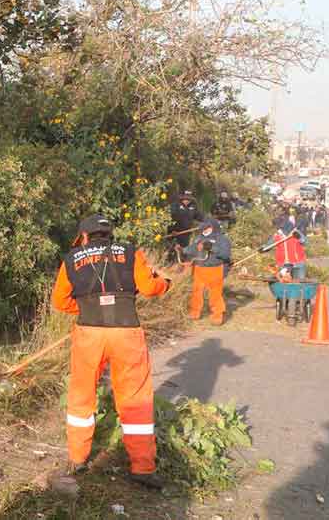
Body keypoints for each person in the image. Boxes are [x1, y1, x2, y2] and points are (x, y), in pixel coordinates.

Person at [51, 215, 173, 489]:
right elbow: (149, 288)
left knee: (81, 395)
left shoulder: (71, 258)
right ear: (109, 234)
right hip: (126, 331)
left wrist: (85, 309)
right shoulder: (131, 252)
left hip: (89, 333)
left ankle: (78, 459)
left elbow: (60, 302)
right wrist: (166, 282)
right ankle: (143, 468)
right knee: (135, 398)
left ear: (84, 236)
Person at [186, 217, 232, 325]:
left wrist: (211, 247)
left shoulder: (222, 239)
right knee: (196, 291)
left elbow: (225, 255)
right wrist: (182, 250)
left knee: (215, 293)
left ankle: (217, 315)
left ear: (213, 227)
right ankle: (194, 312)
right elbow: (192, 249)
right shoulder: (198, 238)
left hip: (215, 269)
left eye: (207, 228)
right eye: (202, 229)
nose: (204, 230)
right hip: (199, 268)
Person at [168, 191, 205, 264]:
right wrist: (172, 230)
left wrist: (208, 220)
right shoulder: (175, 206)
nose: (187, 200)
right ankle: (170, 264)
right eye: (185, 198)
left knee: (184, 251)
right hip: (174, 233)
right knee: (173, 250)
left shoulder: (193, 207)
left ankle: (182, 265)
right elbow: (170, 219)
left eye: (189, 199)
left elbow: (200, 216)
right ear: (182, 198)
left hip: (186, 233)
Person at [269, 214, 307, 281]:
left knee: (300, 283)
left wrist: (299, 237)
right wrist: (263, 249)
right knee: (285, 281)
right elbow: (268, 245)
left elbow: (304, 241)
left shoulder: (295, 233)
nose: (278, 229)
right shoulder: (277, 235)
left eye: (279, 227)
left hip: (298, 263)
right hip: (284, 264)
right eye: (277, 227)